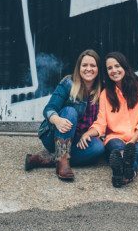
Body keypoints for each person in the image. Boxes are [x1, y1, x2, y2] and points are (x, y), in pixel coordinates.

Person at [24, 50, 105, 181]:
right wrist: (57, 120)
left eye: (93, 65)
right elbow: (49, 108)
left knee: (98, 148)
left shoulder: (103, 90)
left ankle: (44, 159)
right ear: (79, 68)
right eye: (84, 65)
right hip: (54, 135)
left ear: (98, 69)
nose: (88, 69)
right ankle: (61, 162)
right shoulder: (68, 83)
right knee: (70, 112)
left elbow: (106, 120)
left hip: (78, 139)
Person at [77, 51, 138, 187]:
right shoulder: (105, 94)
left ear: (124, 66)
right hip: (115, 138)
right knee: (118, 151)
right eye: (109, 68)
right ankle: (128, 174)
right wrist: (89, 133)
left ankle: (120, 176)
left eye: (117, 66)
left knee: (132, 154)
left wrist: (131, 142)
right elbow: (101, 122)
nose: (114, 71)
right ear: (106, 72)